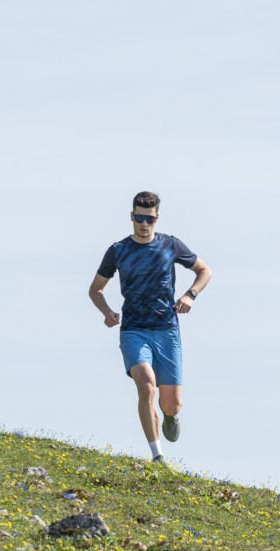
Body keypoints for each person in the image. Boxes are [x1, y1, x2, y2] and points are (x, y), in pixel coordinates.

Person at [88, 191, 212, 462]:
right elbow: (95, 290)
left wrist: (190, 295)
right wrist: (107, 311)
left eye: (150, 219)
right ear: (132, 217)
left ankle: (170, 415)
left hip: (167, 330)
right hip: (134, 330)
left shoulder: (170, 245)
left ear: (157, 218)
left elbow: (205, 271)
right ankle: (157, 456)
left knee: (171, 403)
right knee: (146, 386)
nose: (144, 224)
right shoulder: (118, 251)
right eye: (140, 218)